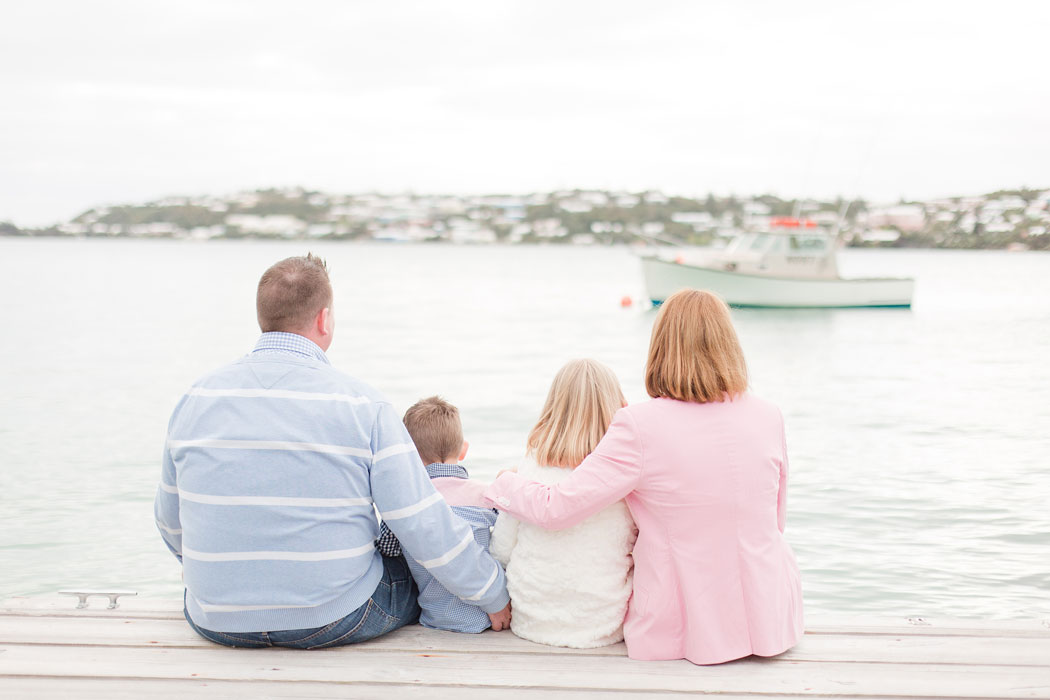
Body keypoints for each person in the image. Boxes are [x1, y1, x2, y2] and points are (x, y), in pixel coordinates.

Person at [154, 253, 511, 649]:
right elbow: (422, 522)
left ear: (263, 317)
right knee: (408, 565)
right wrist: (492, 593)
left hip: (215, 618)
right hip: (334, 617)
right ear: (324, 319)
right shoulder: (363, 405)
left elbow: (171, 522)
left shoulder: (196, 398)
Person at [482, 289, 803, 665]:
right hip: (771, 618)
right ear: (729, 343)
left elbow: (558, 509)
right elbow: (776, 521)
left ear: (661, 347)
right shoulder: (769, 415)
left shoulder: (639, 425)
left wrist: (505, 482)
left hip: (686, 627)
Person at [489, 359, 636, 648]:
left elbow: (503, 548)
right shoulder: (622, 472)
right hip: (602, 622)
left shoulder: (533, 461)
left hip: (532, 618)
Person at [385, 396, 508, 633]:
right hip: (487, 619)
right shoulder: (488, 497)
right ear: (463, 450)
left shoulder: (407, 504)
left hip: (434, 618)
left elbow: (387, 550)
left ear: (409, 455)